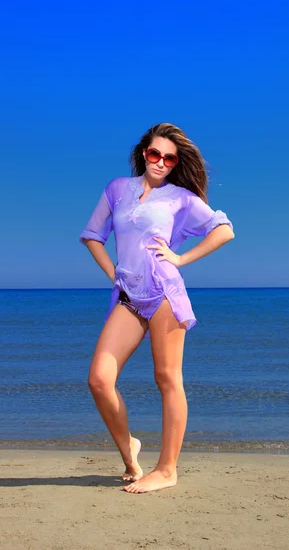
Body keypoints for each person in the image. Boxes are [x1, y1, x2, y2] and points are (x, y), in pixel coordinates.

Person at [79, 123, 234, 493]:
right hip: (129, 295)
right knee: (99, 380)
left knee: (167, 379)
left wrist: (180, 259)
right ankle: (130, 451)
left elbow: (224, 229)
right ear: (143, 153)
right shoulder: (118, 188)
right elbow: (92, 236)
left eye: (169, 157)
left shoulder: (181, 197)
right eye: (155, 154)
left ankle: (167, 469)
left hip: (164, 290)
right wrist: (114, 272)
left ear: (176, 162)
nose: (161, 162)